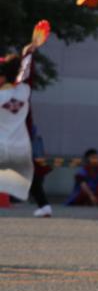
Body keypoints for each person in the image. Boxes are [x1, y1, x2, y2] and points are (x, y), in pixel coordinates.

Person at [0, 21, 50, 216]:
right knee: (31, 176)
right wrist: (29, 52)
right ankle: (44, 206)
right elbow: (26, 73)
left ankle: (44, 206)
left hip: (3, 143)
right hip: (21, 143)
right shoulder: (24, 90)